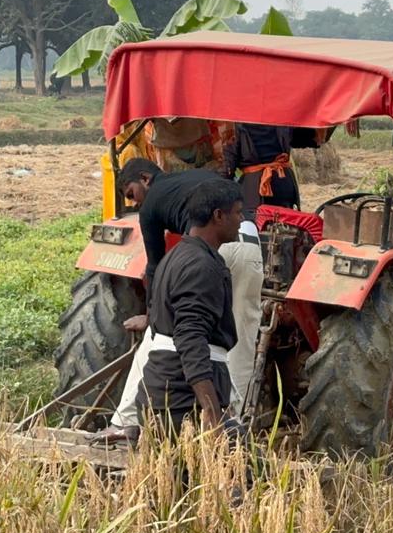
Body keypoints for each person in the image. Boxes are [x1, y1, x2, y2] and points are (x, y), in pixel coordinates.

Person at [87, 159, 263, 446]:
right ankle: (231, 422)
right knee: (241, 338)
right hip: (248, 245)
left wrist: (153, 315)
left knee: (159, 336)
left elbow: (155, 265)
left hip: (209, 244)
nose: (134, 202)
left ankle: (125, 421)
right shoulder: (199, 178)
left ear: (145, 178)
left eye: (131, 194)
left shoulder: (152, 206)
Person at [139, 178, 244, 438]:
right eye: (238, 213)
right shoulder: (201, 266)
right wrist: (211, 412)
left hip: (162, 392)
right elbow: (190, 336)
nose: (242, 220)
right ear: (218, 216)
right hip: (183, 402)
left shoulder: (175, 256)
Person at [221, 124, 326, 217]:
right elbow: (308, 138)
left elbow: (227, 167)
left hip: (256, 192)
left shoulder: (235, 122)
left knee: (260, 226)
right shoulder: (280, 114)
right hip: (279, 185)